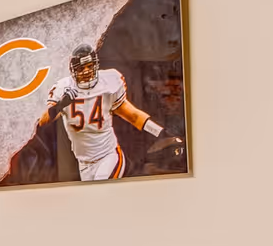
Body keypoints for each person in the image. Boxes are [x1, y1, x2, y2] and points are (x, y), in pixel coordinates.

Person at [37, 44, 182, 180]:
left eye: (89, 66)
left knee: (101, 192)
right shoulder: (63, 88)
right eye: (81, 68)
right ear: (73, 71)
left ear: (96, 65)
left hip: (108, 156)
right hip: (83, 163)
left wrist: (162, 133)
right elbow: (43, 121)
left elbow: (132, 115)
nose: (86, 71)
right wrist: (63, 103)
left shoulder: (109, 82)